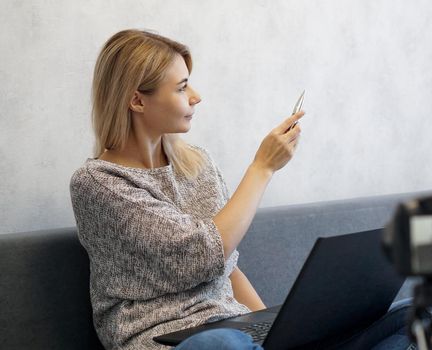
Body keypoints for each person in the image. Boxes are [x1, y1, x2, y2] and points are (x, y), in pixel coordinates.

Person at [70, 29, 414, 350]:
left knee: (416, 314)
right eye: (181, 87)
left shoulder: (197, 163)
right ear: (137, 101)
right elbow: (202, 256)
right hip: (164, 340)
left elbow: (227, 267)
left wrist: (281, 334)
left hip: (235, 328)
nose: (196, 96)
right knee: (221, 344)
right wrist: (262, 168)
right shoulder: (99, 184)